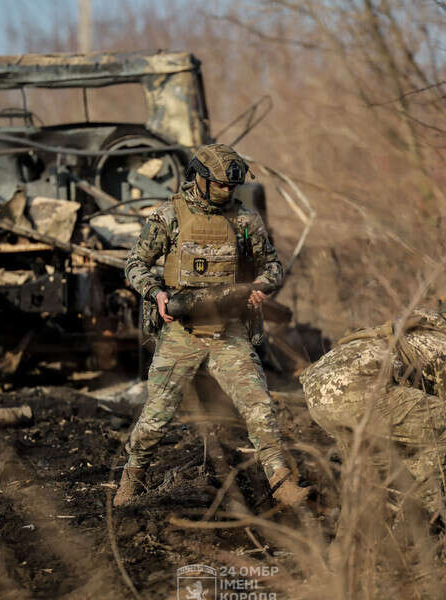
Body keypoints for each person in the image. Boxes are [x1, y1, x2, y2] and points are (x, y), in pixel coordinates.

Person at [114, 143, 308, 507]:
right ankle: (132, 476)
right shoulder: (169, 215)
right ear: (200, 179)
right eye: (219, 184)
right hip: (180, 334)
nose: (227, 191)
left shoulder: (245, 219)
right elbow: (135, 264)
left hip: (228, 333)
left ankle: (282, 482)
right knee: (155, 420)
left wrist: (262, 288)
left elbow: (273, 266)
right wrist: (155, 293)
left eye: (231, 186)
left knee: (260, 408)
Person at [299, 307, 446, 521]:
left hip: (317, 394)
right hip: (356, 389)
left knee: (372, 472)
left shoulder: (407, 333)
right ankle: (416, 524)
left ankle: (350, 546)